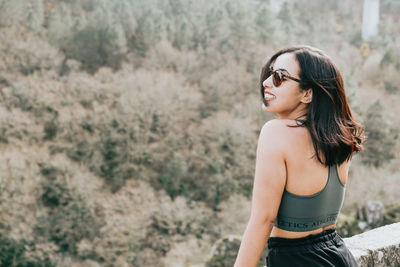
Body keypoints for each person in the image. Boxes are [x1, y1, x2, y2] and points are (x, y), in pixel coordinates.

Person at [234, 45, 366, 267]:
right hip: (338, 256)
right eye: (269, 74)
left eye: (279, 77)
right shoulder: (338, 137)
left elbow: (263, 220)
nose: (266, 82)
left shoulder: (276, 132)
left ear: (307, 93)